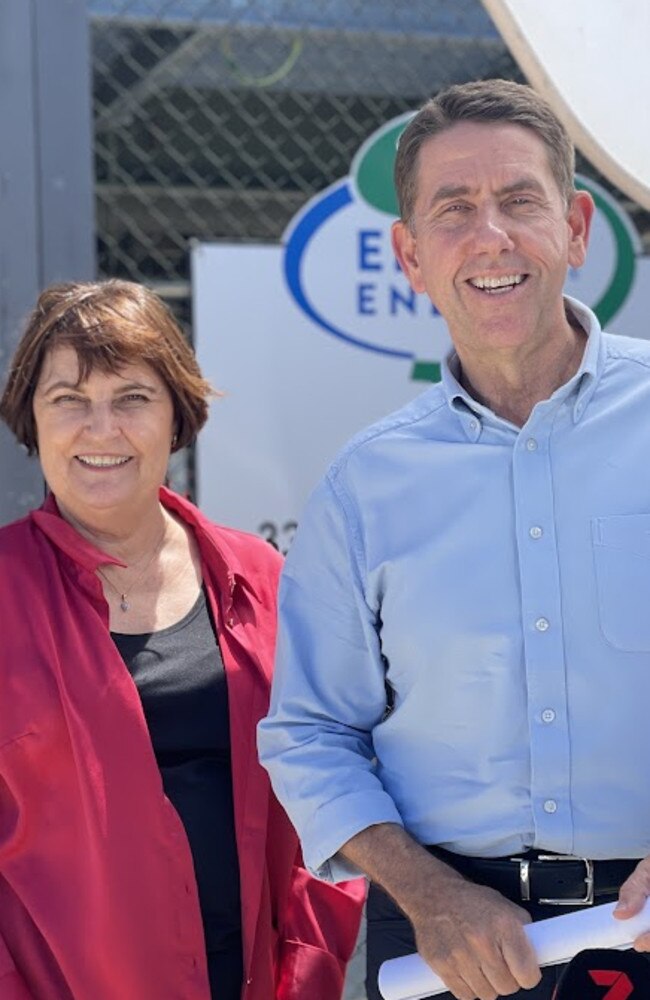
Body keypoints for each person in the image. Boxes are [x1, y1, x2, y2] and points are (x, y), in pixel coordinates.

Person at [257, 78, 650, 1000]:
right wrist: (431, 895)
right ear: (411, 254)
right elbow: (310, 734)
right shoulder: (365, 486)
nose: (492, 237)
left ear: (578, 228)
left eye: (520, 201)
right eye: (455, 210)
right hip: (446, 949)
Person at [0, 279, 363, 1000]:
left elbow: (329, 771)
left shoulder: (261, 578)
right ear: (32, 422)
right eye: (68, 399)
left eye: (132, 398)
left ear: (176, 416)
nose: (101, 429)